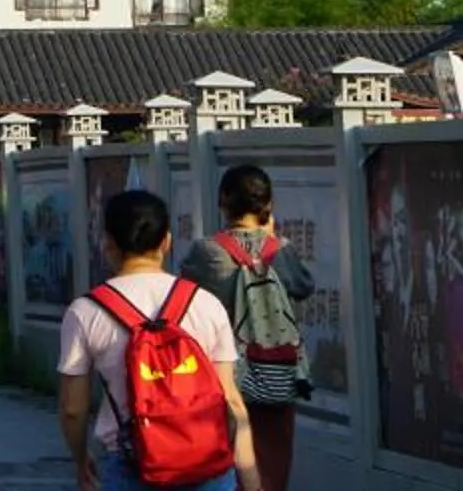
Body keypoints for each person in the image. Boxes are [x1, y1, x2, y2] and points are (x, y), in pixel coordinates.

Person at [62, 188, 259, 491]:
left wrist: (80, 459)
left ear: (107, 243)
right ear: (167, 241)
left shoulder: (86, 312)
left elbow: (73, 408)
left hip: (131, 466)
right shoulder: (205, 303)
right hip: (207, 465)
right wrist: (251, 481)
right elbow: (232, 401)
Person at [179, 164, 312, 491]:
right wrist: (271, 238)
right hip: (277, 367)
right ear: (269, 205)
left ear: (223, 200)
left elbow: (182, 298)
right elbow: (303, 286)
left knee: (227, 456)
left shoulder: (206, 252)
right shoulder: (281, 250)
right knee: (274, 457)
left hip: (221, 373)